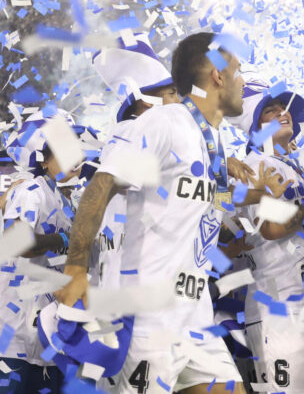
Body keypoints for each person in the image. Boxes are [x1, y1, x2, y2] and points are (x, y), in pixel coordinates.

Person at [54, 32, 285, 394]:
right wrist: (74, 269)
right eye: (238, 72)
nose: (243, 83)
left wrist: (263, 195)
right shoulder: (165, 123)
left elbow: (212, 199)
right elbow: (102, 185)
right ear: (217, 76)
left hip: (195, 316)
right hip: (148, 320)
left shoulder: (211, 139)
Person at [228, 74, 304, 394]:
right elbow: (271, 229)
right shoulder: (255, 165)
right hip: (279, 310)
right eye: (271, 110)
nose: (284, 113)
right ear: (255, 126)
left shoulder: (295, 167)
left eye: (285, 108)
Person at [1, 111, 99, 393]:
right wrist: (61, 239)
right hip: (14, 338)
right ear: (41, 157)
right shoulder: (29, 190)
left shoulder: (58, 196)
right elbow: (17, 241)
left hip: (44, 334)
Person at [90, 38, 181, 291]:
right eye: (172, 93)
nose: (180, 102)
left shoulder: (170, 142)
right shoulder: (130, 130)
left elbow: (207, 198)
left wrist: (226, 182)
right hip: (131, 282)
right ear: (145, 100)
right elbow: (106, 187)